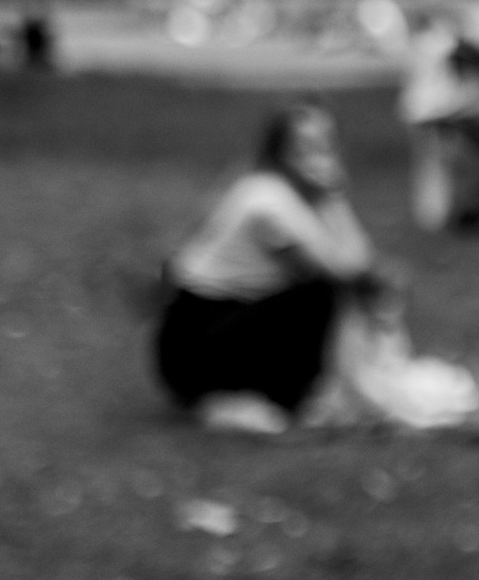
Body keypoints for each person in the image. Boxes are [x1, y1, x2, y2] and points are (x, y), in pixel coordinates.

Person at [154, 102, 392, 432]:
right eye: (305, 146)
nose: (318, 156)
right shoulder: (268, 200)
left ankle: (295, 394)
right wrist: (335, 198)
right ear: (280, 151)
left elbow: (365, 265)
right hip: (194, 349)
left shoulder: (292, 194)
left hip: (225, 323)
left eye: (326, 144)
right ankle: (285, 399)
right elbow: (348, 271)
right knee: (319, 292)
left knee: (320, 292)